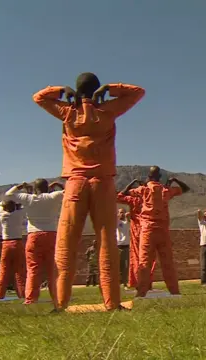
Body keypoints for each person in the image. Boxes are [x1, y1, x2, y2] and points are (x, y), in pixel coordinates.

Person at [33, 72, 145, 311]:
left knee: (66, 244)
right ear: (97, 91)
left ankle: (60, 304)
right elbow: (138, 92)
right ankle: (112, 302)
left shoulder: (67, 112)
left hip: (75, 183)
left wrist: (61, 92)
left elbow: (39, 98)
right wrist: (111, 88)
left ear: (76, 90)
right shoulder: (107, 110)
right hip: (103, 183)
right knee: (107, 244)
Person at [125, 166, 190, 297]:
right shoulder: (165, 190)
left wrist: (133, 183)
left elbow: (124, 193)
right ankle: (174, 291)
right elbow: (186, 189)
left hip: (147, 230)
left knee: (144, 262)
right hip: (163, 230)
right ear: (160, 177)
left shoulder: (143, 189)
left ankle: (141, 292)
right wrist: (175, 180)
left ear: (148, 177)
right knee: (167, 262)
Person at [4, 179, 64, 304]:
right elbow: (69, 192)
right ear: (47, 188)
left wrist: (20, 185)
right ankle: (58, 298)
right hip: (51, 234)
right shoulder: (53, 196)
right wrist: (58, 185)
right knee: (53, 269)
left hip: (34, 235)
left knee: (33, 268)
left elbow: (8, 194)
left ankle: (31, 299)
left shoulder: (28, 198)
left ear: (35, 189)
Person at [0, 200, 27, 299]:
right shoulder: (18, 214)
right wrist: (18, 204)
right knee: (20, 270)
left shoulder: (3, 215)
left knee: (3, 269)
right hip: (17, 242)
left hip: (6, 243)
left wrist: (8, 200)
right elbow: (24, 205)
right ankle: (22, 293)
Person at [117, 181, 145, 289]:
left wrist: (131, 183)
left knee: (136, 256)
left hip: (137, 228)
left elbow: (119, 196)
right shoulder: (149, 199)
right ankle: (145, 281)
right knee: (146, 256)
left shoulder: (133, 200)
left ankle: (137, 281)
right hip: (147, 227)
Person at [117, 208, 131, 287]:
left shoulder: (127, 222)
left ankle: (125, 283)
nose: (122, 214)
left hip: (126, 247)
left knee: (125, 266)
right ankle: (118, 282)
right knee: (118, 265)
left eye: (123, 212)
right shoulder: (117, 222)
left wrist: (128, 216)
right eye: (120, 212)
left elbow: (129, 222)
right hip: (118, 246)